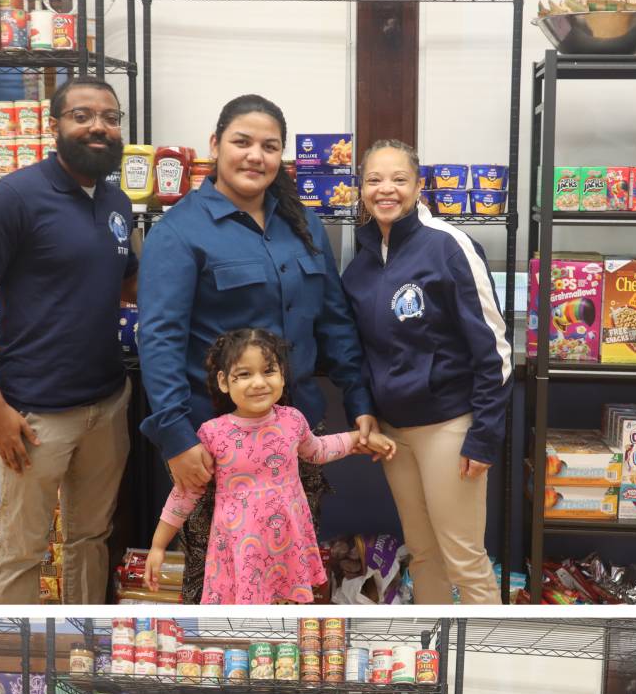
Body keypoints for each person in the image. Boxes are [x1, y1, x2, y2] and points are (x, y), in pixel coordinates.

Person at [137, 94, 376, 604]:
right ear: (215, 145)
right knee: (219, 584)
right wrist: (177, 439)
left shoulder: (304, 224)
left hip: (294, 439)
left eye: (269, 147)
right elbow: (158, 340)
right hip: (213, 447)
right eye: (241, 142)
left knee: (290, 576)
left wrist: (359, 404)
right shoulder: (179, 231)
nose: (255, 156)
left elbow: (334, 319)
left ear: (282, 158)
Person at [0, 75, 139, 604]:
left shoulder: (117, 201)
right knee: (23, 548)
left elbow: (128, 281)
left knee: (90, 537)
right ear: (55, 126)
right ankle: (13, 663)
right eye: (82, 115)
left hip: (108, 400)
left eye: (110, 117)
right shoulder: (13, 198)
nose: (98, 126)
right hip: (35, 414)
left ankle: (79, 648)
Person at [342, 141, 513, 605]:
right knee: (422, 554)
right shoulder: (359, 265)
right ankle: (433, 657)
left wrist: (485, 435)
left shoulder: (448, 245)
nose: (386, 189)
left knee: (464, 558)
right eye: (374, 180)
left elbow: (494, 349)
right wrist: (367, 412)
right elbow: (358, 352)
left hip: (449, 426)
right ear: (360, 189)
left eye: (399, 179)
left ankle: (489, 661)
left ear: (419, 186)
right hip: (395, 434)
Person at [144, 328, 393, 603]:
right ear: (224, 382)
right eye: (244, 374)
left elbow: (318, 450)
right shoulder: (212, 434)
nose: (259, 382)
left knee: (284, 614)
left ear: (283, 375)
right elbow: (185, 492)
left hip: (286, 544)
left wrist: (359, 439)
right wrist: (158, 546)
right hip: (240, 551)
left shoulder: (293, 420)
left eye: (269, 371)